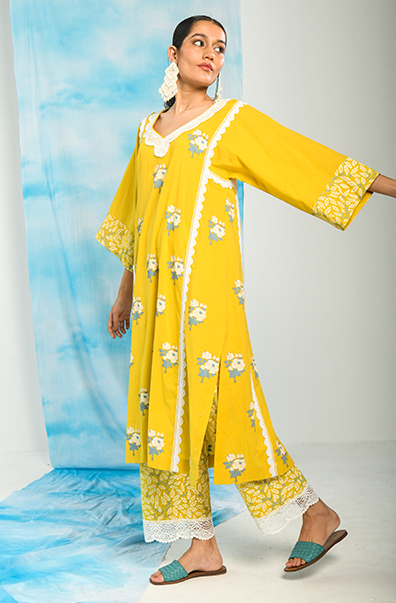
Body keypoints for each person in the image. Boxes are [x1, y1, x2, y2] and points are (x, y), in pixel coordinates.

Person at [96, 15, 396, 585]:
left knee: (228, 409)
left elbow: (300, 161)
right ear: (174, 53)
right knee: (169, 414)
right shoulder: (146, 132)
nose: (211, 54)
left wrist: (388, 186)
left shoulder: (229, 122)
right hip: (155, 303)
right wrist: (124, 290)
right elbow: (136, 215)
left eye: (220, 47)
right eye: (199, 43)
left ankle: (315, 512)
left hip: (207, 299)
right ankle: (202, 546)